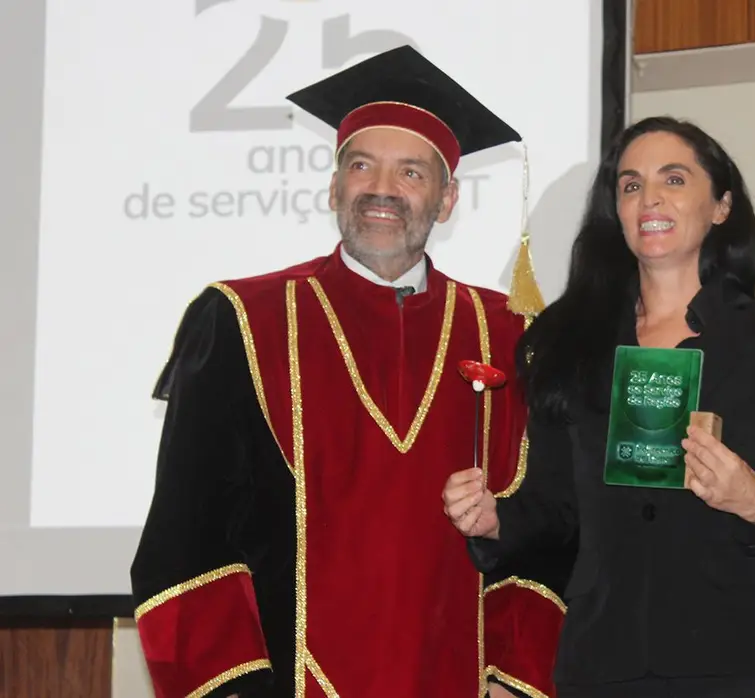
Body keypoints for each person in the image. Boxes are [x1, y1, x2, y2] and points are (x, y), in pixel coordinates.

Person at [129, 46, 563, 698]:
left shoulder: (509, 332)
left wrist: (511, 678)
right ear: (334, 187)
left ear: (447, 200)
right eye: (362, 166)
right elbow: (187, 536)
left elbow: (553, 525)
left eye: (412, 172)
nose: (382, 189)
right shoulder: (242, 320)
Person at [442, 116, 755, 697]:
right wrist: (497, 519)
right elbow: (557, 507)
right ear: (614, 211)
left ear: (721, 205)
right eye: (631, 185)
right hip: (604, 658)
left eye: (674, 179)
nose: (650, 199)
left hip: (736, 656)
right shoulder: (566, 342)